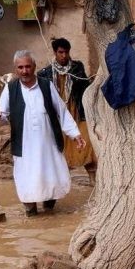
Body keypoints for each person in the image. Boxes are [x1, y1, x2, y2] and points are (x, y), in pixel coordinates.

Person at [0, 50, 85, 216]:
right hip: (24, 144)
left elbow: (61, 112)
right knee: (26, 177)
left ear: (34, 66)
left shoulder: (46, 85)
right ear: (16, 69)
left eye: (28, 66)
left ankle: (49, 208)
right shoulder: (10, 89)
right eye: (20, 67)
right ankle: (31, 211)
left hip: (47, 143)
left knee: (50, 176)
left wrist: (75, 134)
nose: (25, 71)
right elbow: (2, 115)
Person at [37, 38, 98, 183]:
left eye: (66, 52)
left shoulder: (77, 68)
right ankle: (60, 182)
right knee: (58, 147)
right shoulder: (45, 73)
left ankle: (92, 179)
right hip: (57, 114)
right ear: (55, 53)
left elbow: (84, 88)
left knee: (85, 143)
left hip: (76, 111)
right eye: (60, 52)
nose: (64, 55)